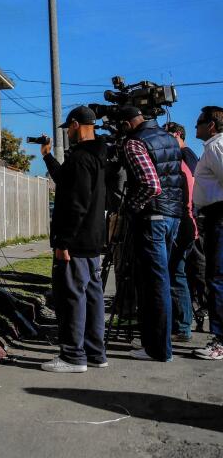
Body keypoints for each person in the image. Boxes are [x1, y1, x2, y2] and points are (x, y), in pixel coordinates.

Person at [38, 106, 108, 372]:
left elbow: (75, 202)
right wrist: (47, 156)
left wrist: (63, 241)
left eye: (68, 128)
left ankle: (72, 356)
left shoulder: (80, 158)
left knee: (71, 298)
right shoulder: (98, 155)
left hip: (75, 240)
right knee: (92, 296)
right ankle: (95, 352)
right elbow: (67, 182)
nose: (67, 133)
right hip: (92, 238)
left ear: (76, 124)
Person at [117, 106, 182, 362]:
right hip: (172, 214)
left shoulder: (135, 142)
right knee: (162, 279)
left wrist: (132, 206)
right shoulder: (168, 137)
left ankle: (158, 349)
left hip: (153, 216)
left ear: (126, 123)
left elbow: (151, 185)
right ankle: (159, 345)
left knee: (154, 284)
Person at [165, 121, 207, 330]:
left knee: (185, 271)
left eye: (168, 135)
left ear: (178, 134)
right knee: (182, 271)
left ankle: (187, 318)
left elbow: (190, 192)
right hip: (189, 220)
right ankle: (186, 317)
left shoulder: (186, 157)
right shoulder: (184, 156)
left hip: (188, 220)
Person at [192, 106, 223, 360]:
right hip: (214, 216)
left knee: (217, 278)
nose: (196, 127)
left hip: (219, 216)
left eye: (199, 122)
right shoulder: (213, 147)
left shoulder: (215, 147)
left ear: (211, 125)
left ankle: (220, 340)